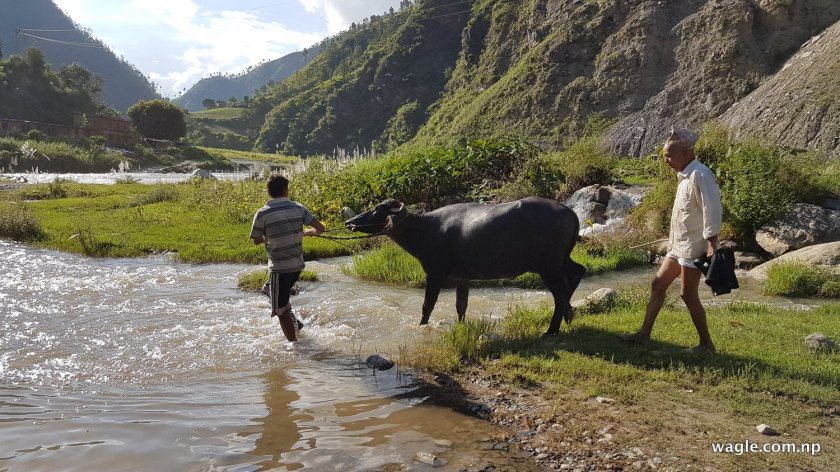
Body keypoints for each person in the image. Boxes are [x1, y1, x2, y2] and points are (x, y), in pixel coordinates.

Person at [619, 128, 722, 355]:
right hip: (679, 245)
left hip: (694, 246)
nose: (666, 160)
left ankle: (706, 345)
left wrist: (713, 243)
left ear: (686, 153)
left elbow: (711, 210)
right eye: (665, 155)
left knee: (687, 294)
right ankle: (644, 335)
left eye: (669, 155)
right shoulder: (684, 175)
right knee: (658, 285)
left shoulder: (700, 175)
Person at [250, 173, 325, 341]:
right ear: (286, 191)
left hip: (279, 269)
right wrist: (309, 232)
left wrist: (268, 236)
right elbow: (320, 228)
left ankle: (295, 346)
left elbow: (256, 240)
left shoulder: (262, 214)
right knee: (268, 289)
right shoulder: (298, 208)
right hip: (297, 266)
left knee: (279, 310)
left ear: (268, 192)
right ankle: (297, 325)